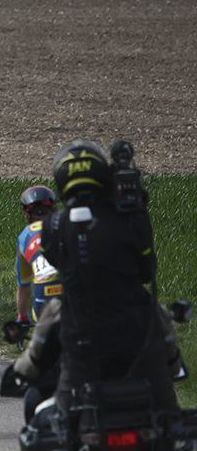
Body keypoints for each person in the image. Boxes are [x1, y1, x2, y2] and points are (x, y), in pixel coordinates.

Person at [39, 140, 177, 413]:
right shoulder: (131, 218)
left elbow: (61, 267)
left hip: (81, 350)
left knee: (56, 420)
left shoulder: (53, 226)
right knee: (169, 418)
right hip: (138, 343)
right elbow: (147, 271)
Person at [14, 184, 62, 325]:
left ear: (27, 219)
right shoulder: (67, 223)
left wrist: (22, 318)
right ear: (55, 210)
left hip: (43, 294)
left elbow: (23, 287)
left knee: (44, 334)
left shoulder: (24, 237)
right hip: (72, 288)